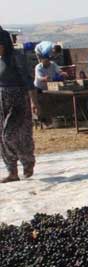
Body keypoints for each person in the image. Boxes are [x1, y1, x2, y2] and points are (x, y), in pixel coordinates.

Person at [0, 27, 39, 182]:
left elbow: (29, 81)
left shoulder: (16, 57)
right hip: (2, 101)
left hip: (18, 100)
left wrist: (34, 102)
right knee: (1, 139)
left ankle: (27, 160)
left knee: (11, 135)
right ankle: (12, 171)